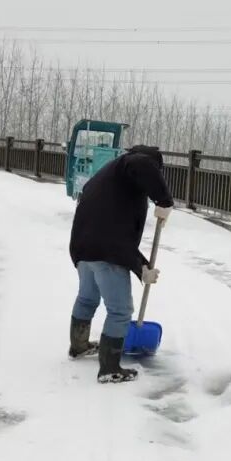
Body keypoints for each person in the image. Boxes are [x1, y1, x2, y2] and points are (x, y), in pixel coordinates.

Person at [68, 145, 174, 384]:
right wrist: (164, 200)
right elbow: (113, 238)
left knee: (87, 299)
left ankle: (79, 346)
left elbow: (112, 227)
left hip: (83, 248)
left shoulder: (109, 177)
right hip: (106, 252)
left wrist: (141, 267)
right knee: (120, 310)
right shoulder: (133, 163)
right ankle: (109, 368)